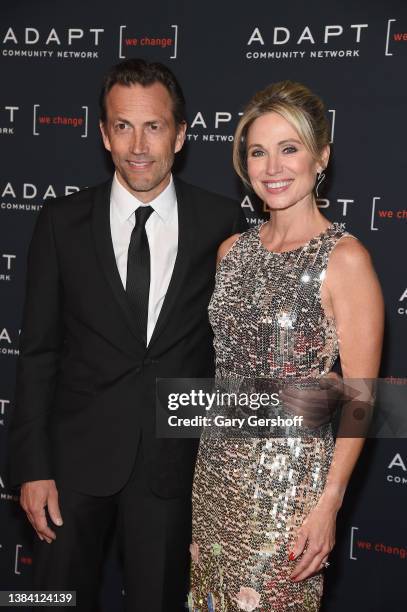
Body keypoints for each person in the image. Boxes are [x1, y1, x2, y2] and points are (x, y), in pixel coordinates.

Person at [8, 58, 247, 612]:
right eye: (122, 126)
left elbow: (231, 352)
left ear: (182, 134)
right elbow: (38, 354)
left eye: (154, 126)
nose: (138, 145)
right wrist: (33, 468)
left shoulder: (222, 223)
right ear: (103, 134)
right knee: (51, 601)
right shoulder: (59, 221)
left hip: (171, 470)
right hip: (71, 470)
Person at [189, 81, 384, 611]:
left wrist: (329, 504)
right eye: (258, 151)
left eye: (289, 148)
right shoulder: (231, 251)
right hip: (214, 476)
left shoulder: (345, 260)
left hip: (290, 489)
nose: (272, 166)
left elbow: (362, 396)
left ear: (321, 156)